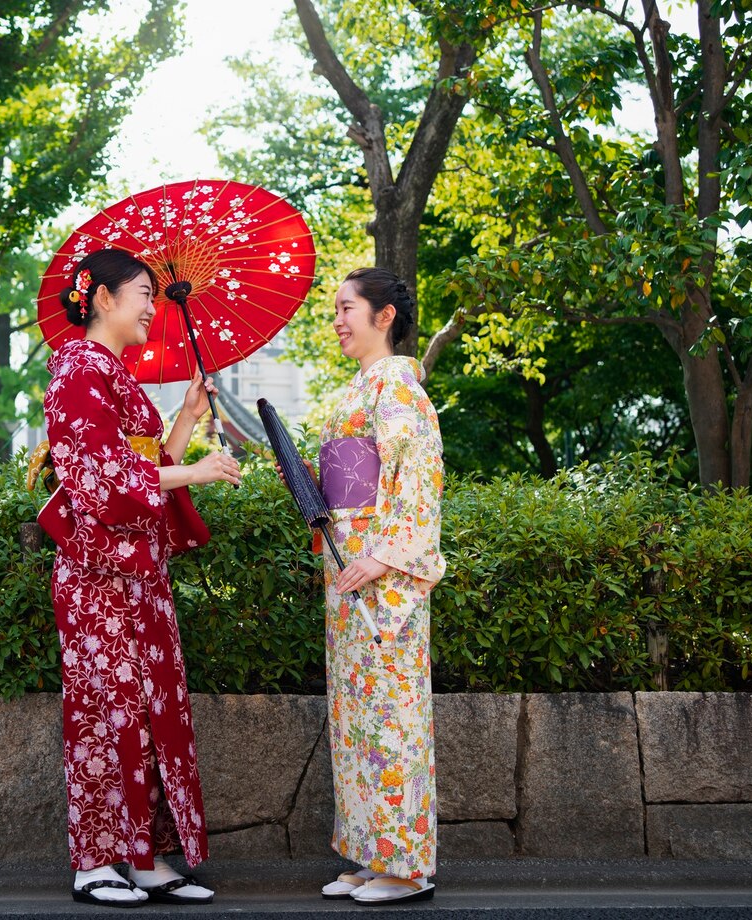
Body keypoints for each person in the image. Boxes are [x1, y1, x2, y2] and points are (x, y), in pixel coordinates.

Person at [40, 247, 241, 907]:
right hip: (99, 576)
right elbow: (102, 477)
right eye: (142, 294)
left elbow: (148, 467)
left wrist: (185, 414)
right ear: (101, 298)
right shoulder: (77, 368)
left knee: (150, 714)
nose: (153, 307)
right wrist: (200, 472)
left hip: (138, 574)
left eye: (156, 296)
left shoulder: (110, 372)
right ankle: (95, 860)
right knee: (105, 710)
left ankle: (145, 854)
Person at [312, 267, 446, 905]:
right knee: (358, 720)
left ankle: (405, 865)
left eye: (347, 308)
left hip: (380, 577)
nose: (337, 320)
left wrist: (386, 556)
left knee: (391, 718)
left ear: (384, 316)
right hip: (349, 569)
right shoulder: (361, 387)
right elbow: (348, 487)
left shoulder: (395, 382)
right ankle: (371, 851)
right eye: (335, 309)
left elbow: (416, 476)